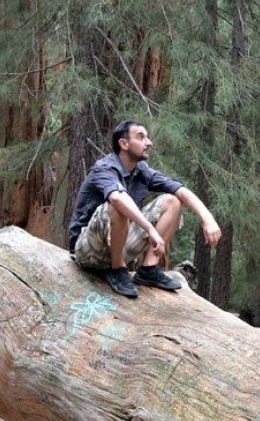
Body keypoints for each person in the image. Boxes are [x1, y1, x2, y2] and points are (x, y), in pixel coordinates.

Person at [68, 120, 222, 299]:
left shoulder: (141, 170)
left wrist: (207, 218)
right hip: (88, 250)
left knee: (173, 201)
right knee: (118, 204)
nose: (149, 142)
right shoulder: (104, 168)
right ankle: (117, 269)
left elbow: (180, 190)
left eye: (147, 137)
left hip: (118, 246)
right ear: (124, 144)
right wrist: (150, 229)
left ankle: (148, 268)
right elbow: (117, 198)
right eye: (141, 137)